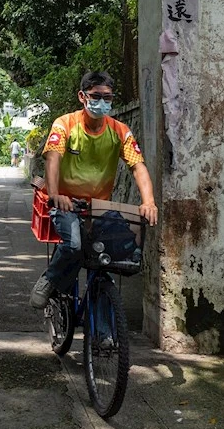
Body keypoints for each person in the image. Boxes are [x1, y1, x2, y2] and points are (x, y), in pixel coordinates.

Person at [30, 71, 158, 315]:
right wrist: (56, 195)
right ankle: (51, 280)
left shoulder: (119, 131)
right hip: (66, 204)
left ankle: (105, 335)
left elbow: (138, 166)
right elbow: (53, 158)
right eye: (96, 96)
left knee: (113, 255)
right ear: (82, 96)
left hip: (99, 207)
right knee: (73, 245)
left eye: (107, 97)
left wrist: (149, 202)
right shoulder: (65, 124)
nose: (102, 102)